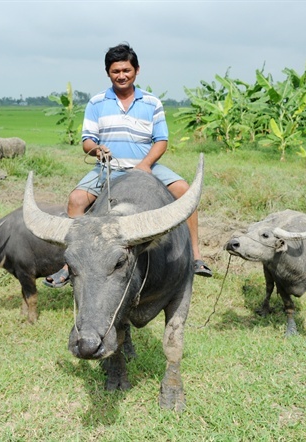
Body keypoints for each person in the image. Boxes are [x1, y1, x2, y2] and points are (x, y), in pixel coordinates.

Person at [44, 42, 212, 287]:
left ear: (136, 70)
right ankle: (71, 264)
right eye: (115, 71)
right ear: (108, 73)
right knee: (75, 200)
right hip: (108, 168)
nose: (121, 75)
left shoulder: (152, 103)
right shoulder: (97, 102)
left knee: (186, 192)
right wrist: (96, 149)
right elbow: (87, 141)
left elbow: (161, 141)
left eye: (126, 70)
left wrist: (145, 165)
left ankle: (196, 256)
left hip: (146, 166)